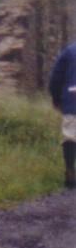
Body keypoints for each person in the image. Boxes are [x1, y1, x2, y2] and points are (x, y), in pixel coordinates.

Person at [52, 40, 76, 190]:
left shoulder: (70, 51)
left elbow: (56, 76)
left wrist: (56, 97)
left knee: (71, 135)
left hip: (72, 100)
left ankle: (70, 171)